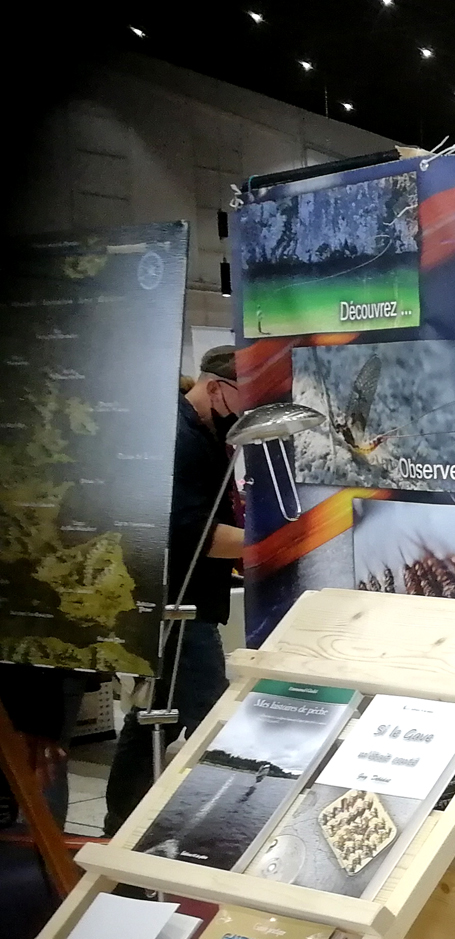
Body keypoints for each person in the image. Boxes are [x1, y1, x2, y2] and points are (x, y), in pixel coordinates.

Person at [104, 345, 244, 837]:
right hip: (177, 602)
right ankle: (227, 829)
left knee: (152, 717)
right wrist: (264, 543)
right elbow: (189, 532)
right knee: (213, 717)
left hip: (178, 597)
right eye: (243, 401)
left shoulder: (208, 432)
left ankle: (120, 822)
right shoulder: (179, 440)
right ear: (215, 387)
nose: (245, 415)